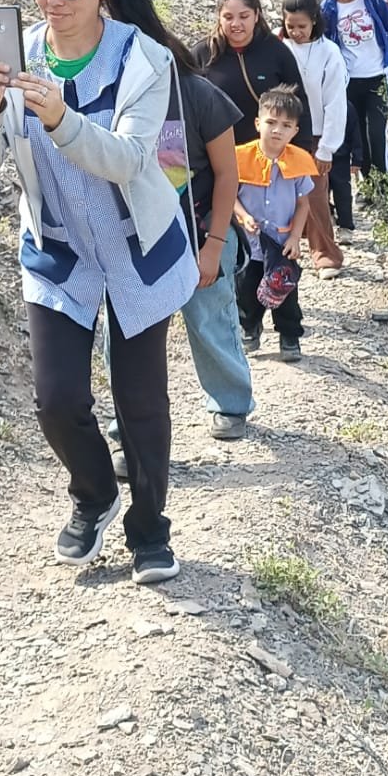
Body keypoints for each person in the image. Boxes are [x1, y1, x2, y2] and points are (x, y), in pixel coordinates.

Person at [0, 0, 194, 583]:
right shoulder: (18, 57)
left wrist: (61, 117)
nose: (52, 1)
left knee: (141, 404)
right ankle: (93, 494)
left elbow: (125, 160)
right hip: (58, 250)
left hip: (135, 249)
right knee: (56, 399)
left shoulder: (144, 60)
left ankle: (150, 530)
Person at [105, 52, 256, 466]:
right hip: (132, 236)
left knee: (209, 319)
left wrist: (214, 245)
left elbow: (228, 174)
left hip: (199, 228)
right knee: (128, 332)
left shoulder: (196, 93)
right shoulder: (109, 93)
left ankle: (230, 401)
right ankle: (129, 430)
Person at [234, 87, 316, 364]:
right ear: (258, 123)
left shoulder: (298, 161)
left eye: (286, 125)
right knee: (246, 290)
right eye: (271, 122)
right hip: (250, 243)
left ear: (295, 131)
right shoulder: (239, 158)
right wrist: (243, 216)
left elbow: (304, 204)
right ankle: (249, 328)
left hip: (282, 244)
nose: (277, 130)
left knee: (286, 293)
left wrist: (295, 238)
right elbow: (229, 195)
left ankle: (289, 337)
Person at [319, 0, 388, 222]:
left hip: (376, 75)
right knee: (357, 140)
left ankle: (386, 195)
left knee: (377, 136)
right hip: (348, 80)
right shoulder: (329, 8)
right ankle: (367, 189)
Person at [280, 0, 348, 275]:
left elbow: (335, 101)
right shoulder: (277, 47)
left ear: (315, 22)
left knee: (315, 194)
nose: (296, 32)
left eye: (302, 26)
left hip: (317, 134)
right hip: (282, 132)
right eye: (290, 26)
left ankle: (325, 254)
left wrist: (327, 147)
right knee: (279, 194)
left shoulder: (329, 52)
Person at [194, 0, 315, 150]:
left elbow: (299, 103)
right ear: (219, 18)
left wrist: (303, 149)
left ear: (256, 15)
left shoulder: (276, 52)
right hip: (217, 155)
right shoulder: (202, 53)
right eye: (228, 17)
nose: (236, 24)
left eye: (244, 16)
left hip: (269, 155)